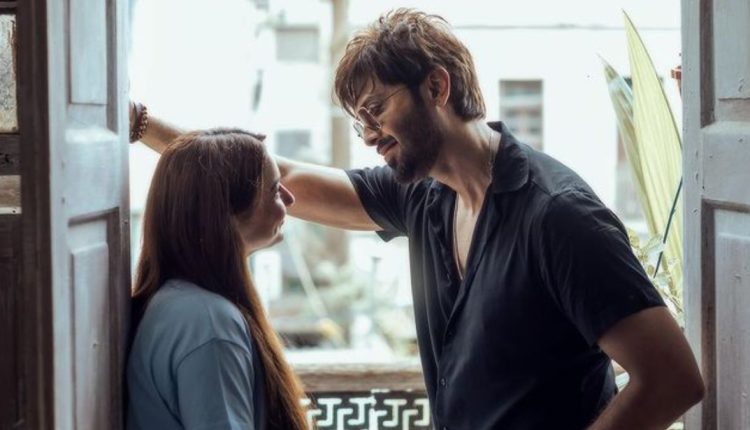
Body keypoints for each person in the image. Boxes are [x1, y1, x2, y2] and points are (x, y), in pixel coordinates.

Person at [130, 9, 704, 429]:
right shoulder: (422, 195)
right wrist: (140, 125)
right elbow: (276, 175)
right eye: (359, 121)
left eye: (376, 110)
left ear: (436, 86)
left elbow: (673, 379)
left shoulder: (558, 217)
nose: (369, 134)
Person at [126, 128, 308, 430]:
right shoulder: (209, 322)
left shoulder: (178, 303)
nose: (290, 199)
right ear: (227, 211)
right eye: (275, 190)